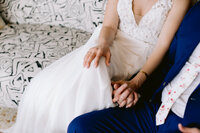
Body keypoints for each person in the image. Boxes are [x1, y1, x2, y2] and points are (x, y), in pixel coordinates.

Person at [1, 0, 190, 133]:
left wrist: (138, 80)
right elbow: (108, 26)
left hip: (143, 53)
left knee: (95, 72)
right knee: (61, 78)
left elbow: (164, 45)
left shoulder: (180, 1)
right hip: (109, 41)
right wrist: (102, 45)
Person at [68, 2, 200, 133]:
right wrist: (135, 87)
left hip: (189, 122)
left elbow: (162, 46)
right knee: (80, 127)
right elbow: (171, 61)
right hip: (156, 110)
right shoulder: (196, 12)